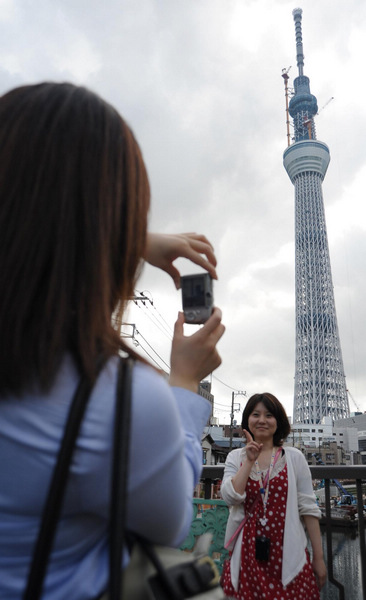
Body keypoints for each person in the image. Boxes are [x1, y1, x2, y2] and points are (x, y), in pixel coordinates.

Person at [0, 82, 225, 599]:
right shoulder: (115, 400)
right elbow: (168, 523)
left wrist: (118, 234)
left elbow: (35, 227)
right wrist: (185, 384)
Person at [220, 393, 326, 600]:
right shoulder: (236, 457)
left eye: (269, 415)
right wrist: (249, 461)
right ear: (247, 421)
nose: (261, 420)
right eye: (255, 414)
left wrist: (319, 558)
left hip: (288, 549)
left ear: (278, 421)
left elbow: (309, 509)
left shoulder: (294, 458)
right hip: (248, 551)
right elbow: (230, 497)